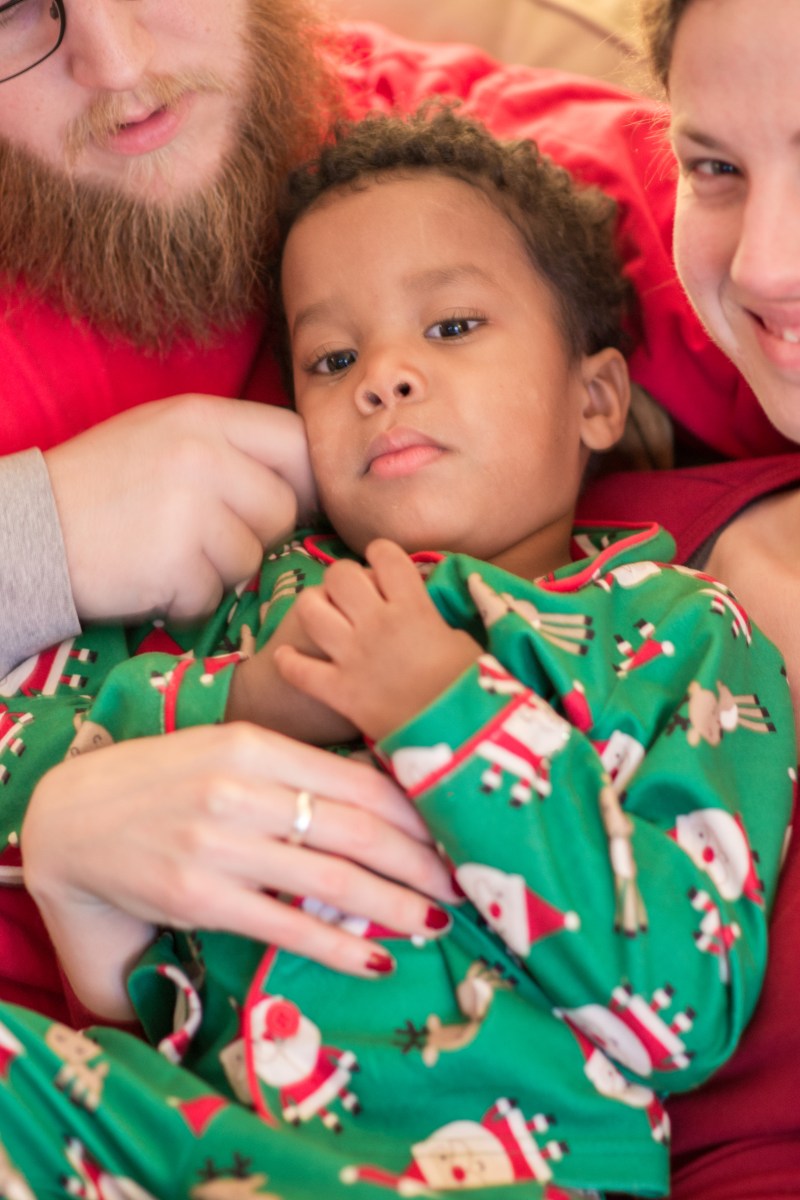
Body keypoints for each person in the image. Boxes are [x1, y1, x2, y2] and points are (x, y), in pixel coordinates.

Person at [0, 109, 793, 1200]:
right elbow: (16, 753)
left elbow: (683, 1004)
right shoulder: (260, 594)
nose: (383, 378)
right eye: (332, 359)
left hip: (503, 1172)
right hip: (191, 1140)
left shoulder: (678, 630)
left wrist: (443, 707)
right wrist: (241, 703)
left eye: (452, 327)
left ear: (595, 398)